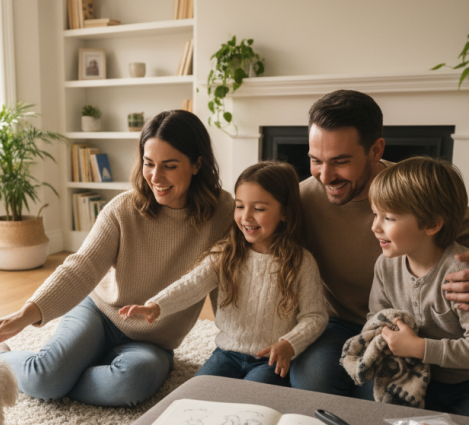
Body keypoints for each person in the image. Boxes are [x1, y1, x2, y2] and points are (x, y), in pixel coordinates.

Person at [0, 110, 234, 407]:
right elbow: (82, 267)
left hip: (152, 341)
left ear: (197, 164)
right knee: (45, 379)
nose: (156, 177)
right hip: (100, 314)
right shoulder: (123, 209)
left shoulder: (224, 213)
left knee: (130, 383)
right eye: (149, 164)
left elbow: (229, 280)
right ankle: (5, 359)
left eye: (170, 166)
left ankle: (69, 373)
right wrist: (24, 315)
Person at [294, 89, 469, 395]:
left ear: (376, 149)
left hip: (410, 329)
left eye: (340, 161)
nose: (325, 176)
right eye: (315, 160)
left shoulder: (417, 194)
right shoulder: (302, 199)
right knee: (309, 385)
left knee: (388, 397)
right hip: (339, 323)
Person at [119, 161, 328, 385]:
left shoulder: (301, 262)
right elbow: (192, 284)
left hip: (269, 360)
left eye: (258, 209)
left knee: (247, 405)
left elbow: (315, 316)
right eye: (239, 206)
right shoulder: (226, 253)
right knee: (195, 397)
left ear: (284, 212)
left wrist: (289, 343)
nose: (246, 217)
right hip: (226, 354)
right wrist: (156, 305)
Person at [360, 157, 469, 420]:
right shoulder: (385, 265)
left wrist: (420, 347)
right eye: (375, 214)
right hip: (421, 373)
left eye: (388, 217)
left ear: (432, 224)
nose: (375, 226)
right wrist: (387, 338)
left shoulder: (464, 274)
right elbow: (376, 317)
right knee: (376, 415)